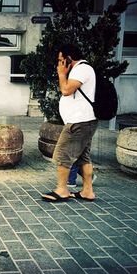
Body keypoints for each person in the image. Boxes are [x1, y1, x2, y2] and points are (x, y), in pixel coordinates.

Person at [42, 44, 98, 202]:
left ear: (69, 58)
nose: (59, 63)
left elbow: (66, 90)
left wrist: (61, 74)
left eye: (61, 60)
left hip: (79, 122)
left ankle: (62, 190)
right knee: (83, 158)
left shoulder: (81, 69)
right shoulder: (81, 69)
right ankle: (88, 191)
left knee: (62, 154)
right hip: (84, 121)